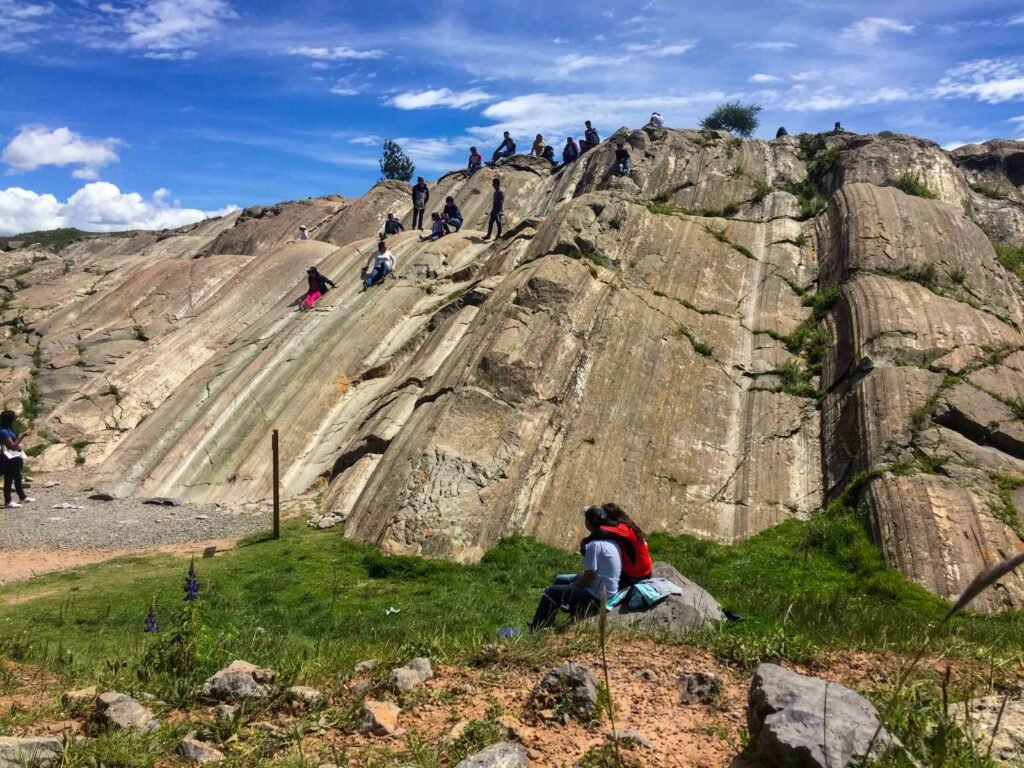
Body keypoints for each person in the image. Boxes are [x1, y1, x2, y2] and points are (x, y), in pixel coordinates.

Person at [529, 505, 622, 630]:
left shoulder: (594, 545)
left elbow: (587, 580)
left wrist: (573, 585)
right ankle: (546, 620)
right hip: (608, 590)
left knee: (550, 591)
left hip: (597, 597)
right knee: (561, 579)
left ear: (588, 523)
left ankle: (537, 628)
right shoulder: (611, 541)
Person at [579, 503, 652, 588]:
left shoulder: (622, 528)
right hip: (640, 571)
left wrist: (585, 542)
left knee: (596, 584)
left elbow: (600, 532)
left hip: (637, 576)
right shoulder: (626, 523)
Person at [0, 410, 33, 510]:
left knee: (17, 477)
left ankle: (22, 497)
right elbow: (12, 446)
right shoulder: (3, 431)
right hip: (8, 458)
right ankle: (8, 501)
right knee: (9, 479)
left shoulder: (9, 429)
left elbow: (14, 443)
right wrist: (22, 436)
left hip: (15, 457)